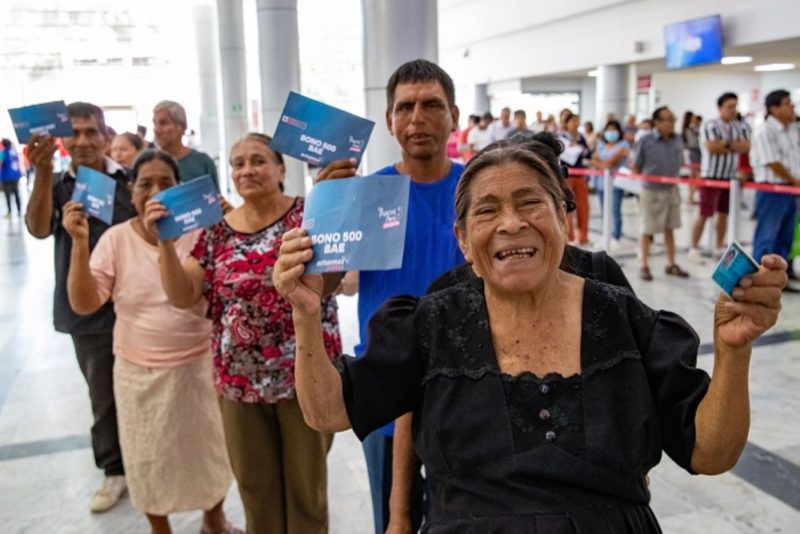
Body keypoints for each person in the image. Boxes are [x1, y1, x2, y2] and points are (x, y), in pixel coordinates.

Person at [275, 136, 786, 533]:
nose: (512, 223)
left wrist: (733, 352)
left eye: (530, 203)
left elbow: (711, 454)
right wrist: (305, 312)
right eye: (487, 210)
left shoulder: (623, 318)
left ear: (565, 220)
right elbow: (328, 411)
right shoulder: (434, 321)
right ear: (464, 241)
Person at [157, 132, 341, 534]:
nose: (247, 170)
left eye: (258, 160)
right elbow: (184, 294)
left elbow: (337, 279)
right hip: (238, 384)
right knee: (256, 491)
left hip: (305, 377)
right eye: (238, 163)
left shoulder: (307, 217)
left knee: (307, 493)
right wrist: (166, 247)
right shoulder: (216, 231)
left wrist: (331, 202)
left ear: (280, 169)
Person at [316, 59, 465, 534]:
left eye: (431, 106)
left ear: (454, 116)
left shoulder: (477, 189)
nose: (417, 118)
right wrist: (327, 215)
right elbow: (326, 287)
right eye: (405, 107)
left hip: (463, 384)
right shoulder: (367, 194)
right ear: (389, 121)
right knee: (393, 521)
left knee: (465, 516)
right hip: (384, 386)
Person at [63, 149, 239, 534]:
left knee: (209, 451)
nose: (156, 192)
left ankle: (214, 518)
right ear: (131, 190)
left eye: (167, 183)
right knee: (147, 457)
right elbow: (85, 301)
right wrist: (78, 243)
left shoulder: (203, 232)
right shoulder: (114, 240)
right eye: (146, 184)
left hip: (199, 364)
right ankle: (160, 528)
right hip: (138, 371)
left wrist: (232, 225)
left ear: (182, 188)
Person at [25, 102, 136, 512]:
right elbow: (37, 229)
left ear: (107, 135)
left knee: (145, 389)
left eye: (92, 132)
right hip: (87, 313)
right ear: (63, 140)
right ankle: (113, 470)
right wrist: (40, 174)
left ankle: (144, 460)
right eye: (75, 133)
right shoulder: (55, 186)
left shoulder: (131, 179)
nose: (84, 141)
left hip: (136, 306)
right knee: (102, 396)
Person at [689, 93, 751, 261]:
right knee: (704, 212)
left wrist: (725, 144)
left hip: (730, 177)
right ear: (720, 108)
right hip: (711, 176)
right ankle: (694, 247)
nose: (732, 110)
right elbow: (712, 147)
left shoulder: (740, 126)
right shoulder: (711, 125)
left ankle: (718, 246)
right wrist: (733, 146)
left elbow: (746, 146)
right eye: (729, 107)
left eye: (734, 106)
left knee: (723, 213)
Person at [750, 89, 800, 291]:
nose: (792, 107)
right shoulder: (765, 131)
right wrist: (793, 180)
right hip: (773, 190)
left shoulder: (792, 129)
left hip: (791, 190)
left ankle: (781, 275)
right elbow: (772, 162)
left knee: (786, 234)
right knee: (768, 234)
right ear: (774, 108)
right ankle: (760, 277)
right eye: (788, 103)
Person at [633, 106, 690, 281]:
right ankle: (644, 265)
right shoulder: (646, 140)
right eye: (668, 119)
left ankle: (670, 263)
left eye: (673, 119)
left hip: (672, 189)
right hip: (651, 191)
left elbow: (680, 162)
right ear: (657, 122)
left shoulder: (678, 140)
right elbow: (636, 166)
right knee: (647, 229)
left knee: (670, 228)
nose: (672, 123)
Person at [153, 100, 219, 190]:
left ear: (182, 126)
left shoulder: (203, 163)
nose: (157, 130)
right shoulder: (149, 164)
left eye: (164, 123)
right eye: (155, 123)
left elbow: (216, 200)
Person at [591, 120, 630, 248]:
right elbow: (594, 160)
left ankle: (616, 236)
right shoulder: (601, 145)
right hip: (601, 183)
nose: (611, 132)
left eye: (614, 129)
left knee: (615, 210)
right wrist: (604, 165)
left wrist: (601, 164)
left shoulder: (623, 145)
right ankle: (605, 236)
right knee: (604, 211)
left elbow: (612, 162)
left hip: (616, 184)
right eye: (609, 130)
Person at [558, 112, 592, 245]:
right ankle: (569, 237)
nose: (575, 124)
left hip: (581, 176)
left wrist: (581, 149)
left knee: (583, 206)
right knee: (567, 207)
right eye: (572, 121)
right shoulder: (561, 138)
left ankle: (583, 236)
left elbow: (588, 153)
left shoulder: (580, 137)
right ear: (566, 123)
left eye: (577, 121)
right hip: (567, 176)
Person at [682, 112, 702, 204]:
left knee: (693, 176)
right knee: (697, 176)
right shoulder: (690, 130)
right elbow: (693, 143)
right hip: (695, 153)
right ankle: (691, 197)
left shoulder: (692, 129)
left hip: (694, 153)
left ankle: (691, 197)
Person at [1, 138, 23, 216]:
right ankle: (19, 210)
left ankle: (9, 211)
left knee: (7, 194)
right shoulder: (14, 152)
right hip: (15, 176)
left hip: (6, 177)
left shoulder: (2, 153)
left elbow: (0, 163)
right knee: (16, 193)